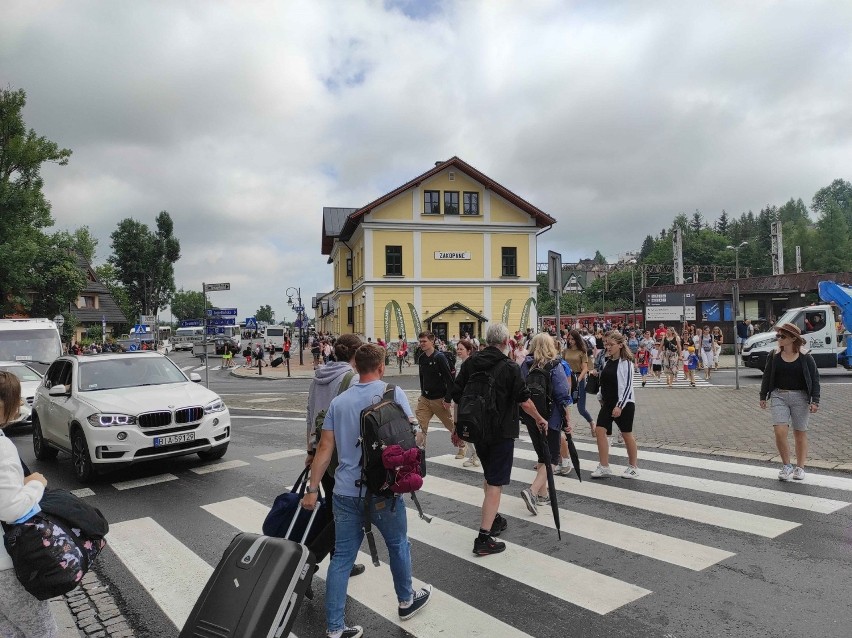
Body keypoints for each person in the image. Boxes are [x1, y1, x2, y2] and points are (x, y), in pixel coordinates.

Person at [301, 344, 431, 638]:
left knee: (343, 557)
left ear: (356, 368)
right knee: (397, 544)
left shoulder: (340, 402)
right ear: (382, 367)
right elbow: (412, 437)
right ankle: (406, 600)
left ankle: (335, 627)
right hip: (382, 490)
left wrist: (312, 489)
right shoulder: (392, 393)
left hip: (345, 490)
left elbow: (324, 449)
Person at [450, 323, 549, 556]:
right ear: (506, 342)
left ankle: (493, 518)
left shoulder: (471, 363)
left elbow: (456, 395)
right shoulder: (510, 367)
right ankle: (484, 537)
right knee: (496, 481)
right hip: (501, 431)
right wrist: (539, 418)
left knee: (489, 475)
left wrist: (457, 427)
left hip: (475, 429)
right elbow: (524, 400)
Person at [304, 334, 366, 599]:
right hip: (344, 457)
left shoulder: (318, 375)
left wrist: (310, 451)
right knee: (351, 514)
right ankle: (307, 563)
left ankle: (343, 561)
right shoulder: (351, 379)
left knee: (334, 510)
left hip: (322, 454)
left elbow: (310, 413)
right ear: (356, 354)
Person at [0, 371, 57, 638]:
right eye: (16, 399)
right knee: (40, 632)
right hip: (6, 565)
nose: (20, 403)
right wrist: (36, 484)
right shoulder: (1, 447)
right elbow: (11, 509)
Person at [759, 323, 820, 482]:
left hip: (800, 397)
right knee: (779, 432)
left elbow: (815, 380)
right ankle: (787, 466)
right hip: (779, 396)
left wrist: (815, 400)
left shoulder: (806, 357)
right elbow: (767, 376)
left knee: (799, 432)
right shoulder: (773, 355)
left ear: (793, 338)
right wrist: (763, 395)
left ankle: (800, 467)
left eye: (782, 336)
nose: (778, 339)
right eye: (777, 336)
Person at [519, 334, 572, 515]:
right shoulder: (555, 365)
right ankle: (532, 491)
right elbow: (563, 394)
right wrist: (568, 420)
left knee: (542, 455)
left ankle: (543, 495)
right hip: (552, 417)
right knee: (552, 458)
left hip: (531, 415)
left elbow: (520, 392)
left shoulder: (525, 365)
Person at [590, 331, 639, 479]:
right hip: (608, 403)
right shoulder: (607, 361)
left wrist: (620, 406)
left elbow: (628, 386)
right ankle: (604, 466)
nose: (608, 347)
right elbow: (606, 382)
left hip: (624, 404)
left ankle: (633, 467)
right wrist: (599, 391)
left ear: (620, 345)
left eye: (611, 344)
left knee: (626, 434)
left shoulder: (627, 363)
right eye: (606, 344)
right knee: (599, 431)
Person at [413, 332, 459, 458]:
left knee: (451, 426)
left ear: (432, 342)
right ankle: (420, 453)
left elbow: (450, 381)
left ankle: (463, 446)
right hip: (425, 399)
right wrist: (422, 394)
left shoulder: (439, 358)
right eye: (420, 341)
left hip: (440, 400)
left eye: (424, 341)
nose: (421, 344)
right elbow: (422, 378)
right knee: (420, 427)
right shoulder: (422, 358)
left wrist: (448, 399)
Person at [453, 339, 479, 467]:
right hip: (461, 401)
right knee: (464, 429)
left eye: (461, 349)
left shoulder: (471, 364)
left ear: (469, 351)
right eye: (457, 349)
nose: (458, 351)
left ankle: (476, 455)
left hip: (469, 402)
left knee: (469, 428)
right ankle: (474, 454)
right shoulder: (459, 364)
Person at [563, 329, 594, 436]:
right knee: (566, 404)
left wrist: (578, 380)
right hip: (567, 379)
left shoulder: (582, 352)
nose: (571, 341)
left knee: (581, 408)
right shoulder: (566, 351)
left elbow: (585, 369)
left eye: (573, 339)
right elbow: (562, 365)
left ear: (577, 339)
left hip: (578, 379)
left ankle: (591, 422)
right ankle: (568, 427)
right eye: (569, 339)